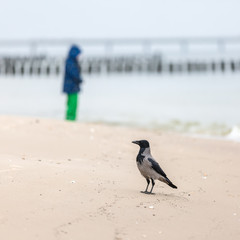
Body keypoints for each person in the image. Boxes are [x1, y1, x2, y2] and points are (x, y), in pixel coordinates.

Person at [63, 45, 83, 121]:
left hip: (71, 87)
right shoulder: (70, 62)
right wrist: (80, 80)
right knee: (72, 104)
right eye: (78, 54)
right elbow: (74, 73)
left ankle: (70, 118)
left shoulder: (70, 61)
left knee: (71, 104)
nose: (78, 56)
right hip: (72, 87)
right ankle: (70, 119)